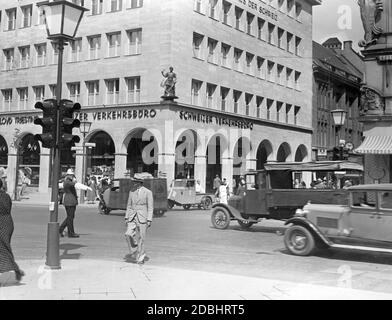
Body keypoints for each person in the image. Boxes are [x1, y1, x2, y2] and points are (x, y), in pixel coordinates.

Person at [124, 173, 154, 264]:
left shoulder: (148, 192)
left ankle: (141, 257)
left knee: (142, 237)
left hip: (143, 217)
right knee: (128, 234)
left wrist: (149, 219)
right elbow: (129, 205)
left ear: (140, 182)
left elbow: (150, 207)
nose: (134, 183)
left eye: (135, 182)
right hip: (132, 216)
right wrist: (126, 216)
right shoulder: (131, 191)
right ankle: (135, 249)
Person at [0, 179, 25, 284]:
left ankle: (15, 269)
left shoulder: (2, 197)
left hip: (2, 224)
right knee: (4, 247)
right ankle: (16, 269)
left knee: (3, 248)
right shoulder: (5, 196)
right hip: (8, 223)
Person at [59, 169, 91, 238]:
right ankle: (68, 232)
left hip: (71, 201)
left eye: (72, 175)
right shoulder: (67, 182)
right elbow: (76, 185)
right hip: (69, 202)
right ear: (68, 175)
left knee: (70, 217)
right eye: (71, 175)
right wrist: (85, 187)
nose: (72, 176)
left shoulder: (68, 181)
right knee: (70, 217)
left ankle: (63, 231)